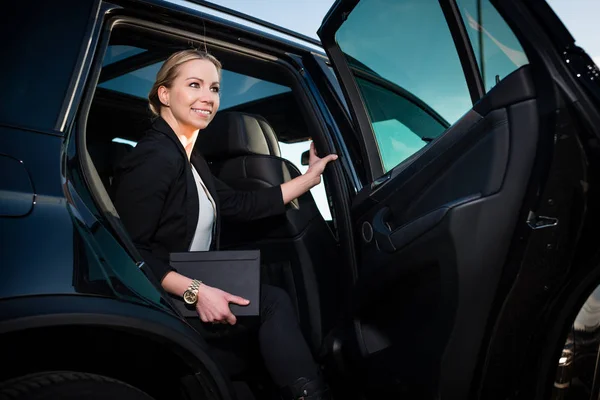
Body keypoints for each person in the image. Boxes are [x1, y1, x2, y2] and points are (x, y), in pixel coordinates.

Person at [112, 49, 337, 400]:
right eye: (195, 85)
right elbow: (127, 252)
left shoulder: (189, 157)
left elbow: (239, 204)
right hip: (155, 294)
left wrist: (308, 178)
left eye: (214, 88)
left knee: (270, 296)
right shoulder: (154, 157)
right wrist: (196, 291)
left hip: (178, 282)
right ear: (165, 94)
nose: (208, 97)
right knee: (273, 301)